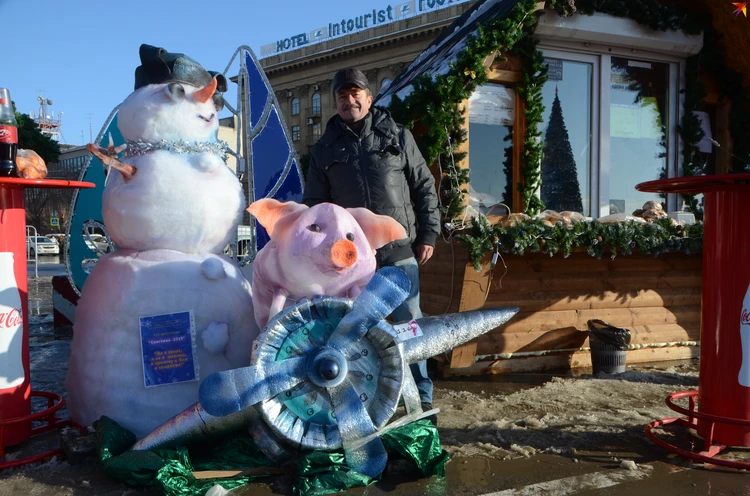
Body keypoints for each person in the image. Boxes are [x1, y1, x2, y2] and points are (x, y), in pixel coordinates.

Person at [303, 67, 441, 423]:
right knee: (359, 333)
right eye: (342, 96)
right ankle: (372, 402)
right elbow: (316, 211)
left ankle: (421, 400)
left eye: (355, 93)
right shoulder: (324, 150)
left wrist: (428, 234)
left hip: (398, 252)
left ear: (369, 96)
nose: (349, 101)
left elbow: (424, 185)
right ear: (336, 102)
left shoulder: (397, 135)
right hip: (353, 261)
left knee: (411, 326)